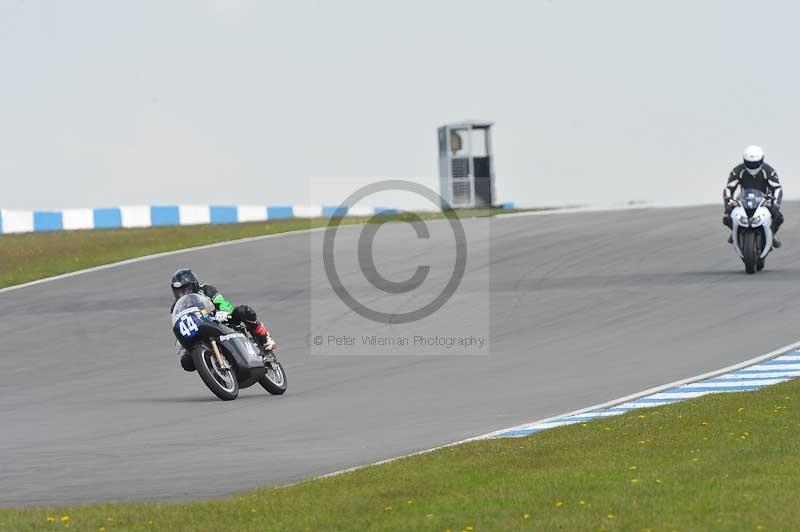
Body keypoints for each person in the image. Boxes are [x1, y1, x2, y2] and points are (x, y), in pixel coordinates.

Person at [170, 269, 277, 371]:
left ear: (194, 285)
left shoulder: (206, 289)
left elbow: (222, 302)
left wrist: (224, 311)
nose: (182, 294)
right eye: (179, 292)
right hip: (199, 328)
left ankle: (265, 340)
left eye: (186, 290)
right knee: (186, 362)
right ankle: (212, 367)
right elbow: (178, 321)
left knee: (244, 311)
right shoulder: (177, 305)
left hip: (220, 319)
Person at [722, 145, 784, 248]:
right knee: (727, 218)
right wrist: (728, 203)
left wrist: (776, 205)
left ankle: (772, 235)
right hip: (743, 200)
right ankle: (734, 232)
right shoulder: (737, 171)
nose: (752, 166)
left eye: (755, 163)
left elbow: (777, 188)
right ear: (744, 160)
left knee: (778, 217)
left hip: (764, 200)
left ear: (762, 160)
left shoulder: (768, 171)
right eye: (750, 163)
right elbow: (729, 188)